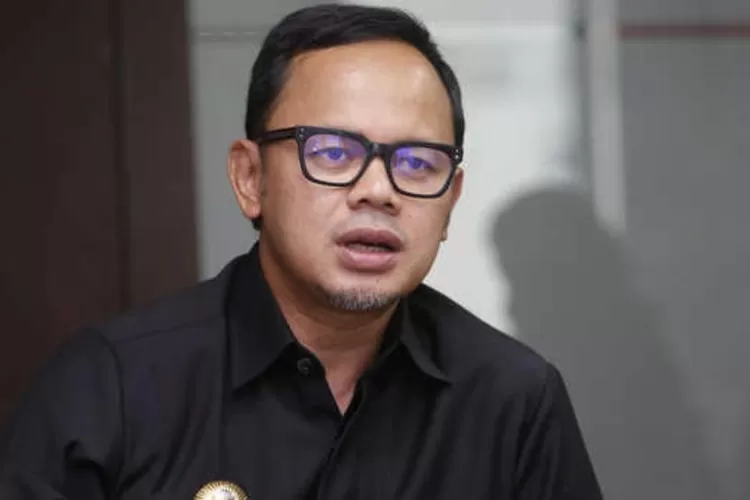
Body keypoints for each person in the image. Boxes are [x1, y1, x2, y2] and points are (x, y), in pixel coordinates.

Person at [0, 4, 602, 499]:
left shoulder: (512, 400)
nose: (378, 191)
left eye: (418, 163)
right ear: (250, 178)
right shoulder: (114, 387)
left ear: (450, 200)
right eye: (334, 153)